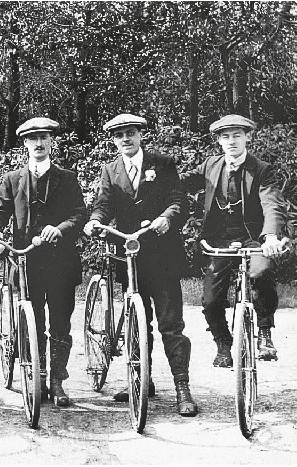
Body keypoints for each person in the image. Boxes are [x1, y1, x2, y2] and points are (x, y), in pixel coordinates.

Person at [83, 114, 198, 416]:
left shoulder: (162, 163)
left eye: (131, 133)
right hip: (130, 256)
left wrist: (167, 218)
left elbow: (179, 200)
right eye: (119, 135)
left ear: (141, 135)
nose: (126, 139)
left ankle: (182, 386)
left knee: (171, 325)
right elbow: (103, 204)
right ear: (113, 140)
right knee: (137, 322)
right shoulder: (111, 170)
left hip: (162, 256)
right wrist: (96, 221)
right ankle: (140, 379)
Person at [0, 117, 86, 406]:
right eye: (33, 139)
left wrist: (61, 228)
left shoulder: (67, 178)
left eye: (44, 138)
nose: (39, 144)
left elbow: (79, 214)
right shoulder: (13, 180)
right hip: (26, 263)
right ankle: (37, 375)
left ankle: (57, 380)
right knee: (32, 321)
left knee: (60, 323)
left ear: (52, 141)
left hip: (60, 262)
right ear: (25, 144)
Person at [180, 114, 287, 366]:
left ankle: (264, 332)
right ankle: (223, 344)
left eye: (237, 135)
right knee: (211, 300)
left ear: (247, 137)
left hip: (253, 238)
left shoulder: (261, 169)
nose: (231, 141)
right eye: (226, 137)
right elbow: (182, 182)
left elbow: (271, 203)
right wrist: (155, 176)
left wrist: (270, 235)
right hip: (219, 240)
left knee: (262, 274)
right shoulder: (210, 165)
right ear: (219, 140)